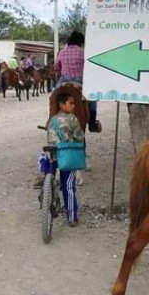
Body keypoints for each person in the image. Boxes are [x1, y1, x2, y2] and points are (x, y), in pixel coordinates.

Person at [46, 91, 85, 227]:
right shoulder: (73, 119)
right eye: (71, 103)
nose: (73, 106)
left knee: (47, 170)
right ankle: (72, 216)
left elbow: (50, 138)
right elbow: (80, 137)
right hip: (68, 155)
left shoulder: (52, 120)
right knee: (68, 186)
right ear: (62, 105)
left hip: (54, 154)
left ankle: (45, 190)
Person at [55, 30, 100, 132]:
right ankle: (92, 123)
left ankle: (50, 119)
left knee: (54, 95)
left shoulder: (62, 52)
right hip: (80, 81)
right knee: (92, 98)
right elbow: (88, 67)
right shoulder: (83, 52)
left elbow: (56, 66)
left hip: (64, 80)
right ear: (80, 42)